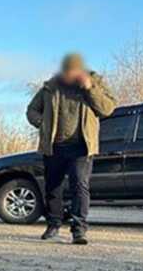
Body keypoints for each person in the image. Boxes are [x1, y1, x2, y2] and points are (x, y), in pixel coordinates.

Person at [27, 54, 116, 245]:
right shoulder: (50, 87)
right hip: (54, 146)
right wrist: (41, 123)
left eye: (74, 71)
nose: (70, 75)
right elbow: (31, 110)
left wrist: (90, 89)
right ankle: (53, 224)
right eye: (67, 71)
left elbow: (107, 109)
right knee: (53, 186)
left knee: (80, 185)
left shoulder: (95, 82)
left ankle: (79, 229)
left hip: (82, 146)